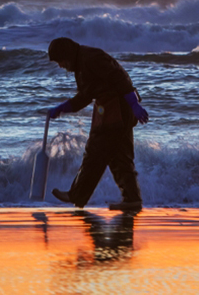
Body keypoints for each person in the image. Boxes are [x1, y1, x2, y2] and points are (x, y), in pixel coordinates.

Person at [47, 37, 149, 211]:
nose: (61, 66)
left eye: (61, 61)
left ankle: (77, 195)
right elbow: (85, 96)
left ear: (67, 55)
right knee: (119, 156)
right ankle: (132, 199)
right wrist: (62, 108)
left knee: (95, 151)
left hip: (117, 108)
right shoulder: (82, 62)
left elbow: (119, 77)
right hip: (114, 109)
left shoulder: (91, 58)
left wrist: (133, 104)